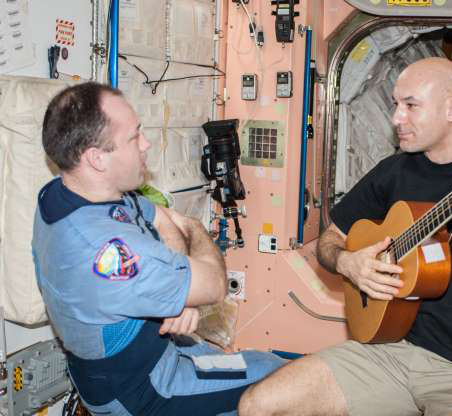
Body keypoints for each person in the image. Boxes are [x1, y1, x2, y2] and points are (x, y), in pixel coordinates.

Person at [238, 57, 452, 416]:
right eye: (395, 104)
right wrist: (348, 262)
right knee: (258, 405)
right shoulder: (393, 171)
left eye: (411, 106)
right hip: (386, 350)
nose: (397, 117)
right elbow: (329, 240)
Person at [32, 82, 284, 416]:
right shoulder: (109, 254)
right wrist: (193, 232)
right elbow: (214, 283)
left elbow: (161, 217)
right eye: (134, 137)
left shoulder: (65, 193)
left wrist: (176, 296)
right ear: (96, 158)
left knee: (262, 363)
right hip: (144, 389)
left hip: (157, 353)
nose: (146, 143)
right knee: (281, 380)